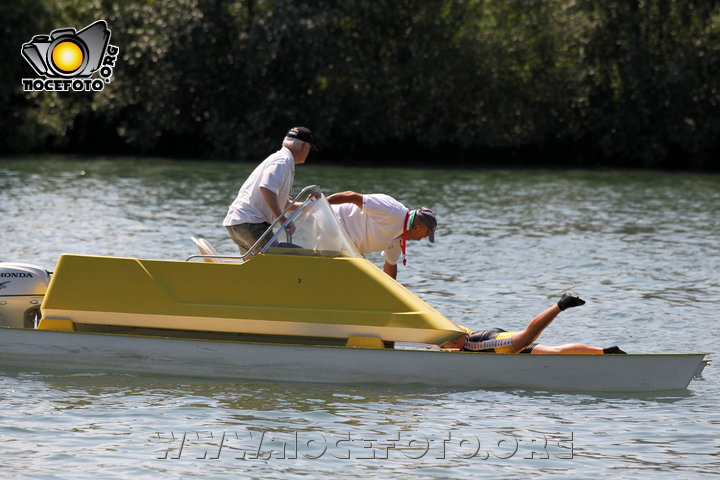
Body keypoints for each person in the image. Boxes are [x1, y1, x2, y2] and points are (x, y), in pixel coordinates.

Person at [223, 126, 318, 255]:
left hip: (239, 223)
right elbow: (266, 188)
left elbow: (280, 203)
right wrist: (283, 220)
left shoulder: (282, 160)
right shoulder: (282, 161)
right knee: (285, 260)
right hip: (251, 224)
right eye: (310, 149)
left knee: (258, 268)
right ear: (304, 147)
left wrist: (305, 206)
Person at [438, 293, 627, 354]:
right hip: (491, 342)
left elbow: (459, 339)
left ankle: (560, 305)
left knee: (526, 337)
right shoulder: (437, 336)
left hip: (482, 341)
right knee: (555, 352)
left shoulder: (458, 338)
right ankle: (605, 352)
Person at [326, 191, 436, 279]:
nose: (424, 238)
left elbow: (390, 264)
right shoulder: (392, 210)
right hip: (330, 222)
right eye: (426, 234)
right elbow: (351, 196)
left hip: (343, 244)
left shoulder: (399, 239)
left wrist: (393, 293)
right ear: (417, 227)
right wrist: (320, 204)